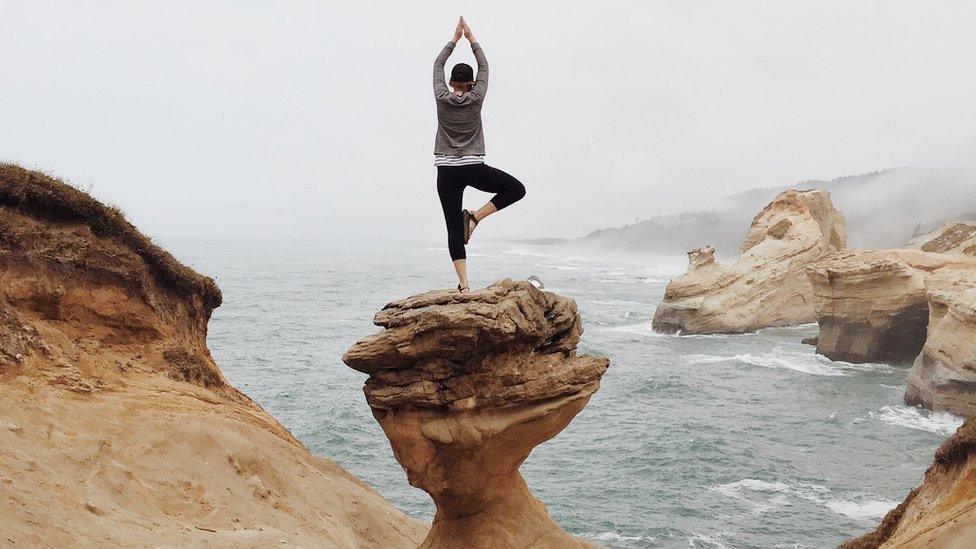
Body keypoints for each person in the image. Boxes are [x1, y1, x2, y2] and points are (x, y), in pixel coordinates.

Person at [433, 16, 526, 294]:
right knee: (516, 189)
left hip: (446, 170)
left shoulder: (441, 95)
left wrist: (453, 40)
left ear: (451, 82)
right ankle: (475, 218)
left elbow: (437, 65)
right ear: (472, 82)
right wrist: (472, 39)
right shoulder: (477, 97)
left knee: (452, 227)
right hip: (473, 166)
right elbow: (485, 66)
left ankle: (464, 286)